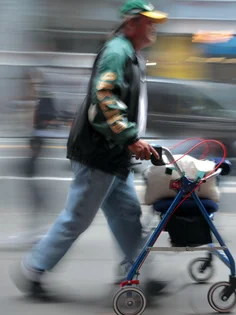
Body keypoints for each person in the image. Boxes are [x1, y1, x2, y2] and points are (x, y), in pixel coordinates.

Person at [11, 0, 167, 299]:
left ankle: (138, 272)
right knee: (78, 216)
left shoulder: (130, 55)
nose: (154, 27)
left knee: (127, 214)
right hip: (100, 153)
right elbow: (104, 96)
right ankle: (33, 269)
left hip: (113, 153)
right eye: (149, 21)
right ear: (131, 23)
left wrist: (129, 141)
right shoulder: (117, 52)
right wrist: (131, 137)